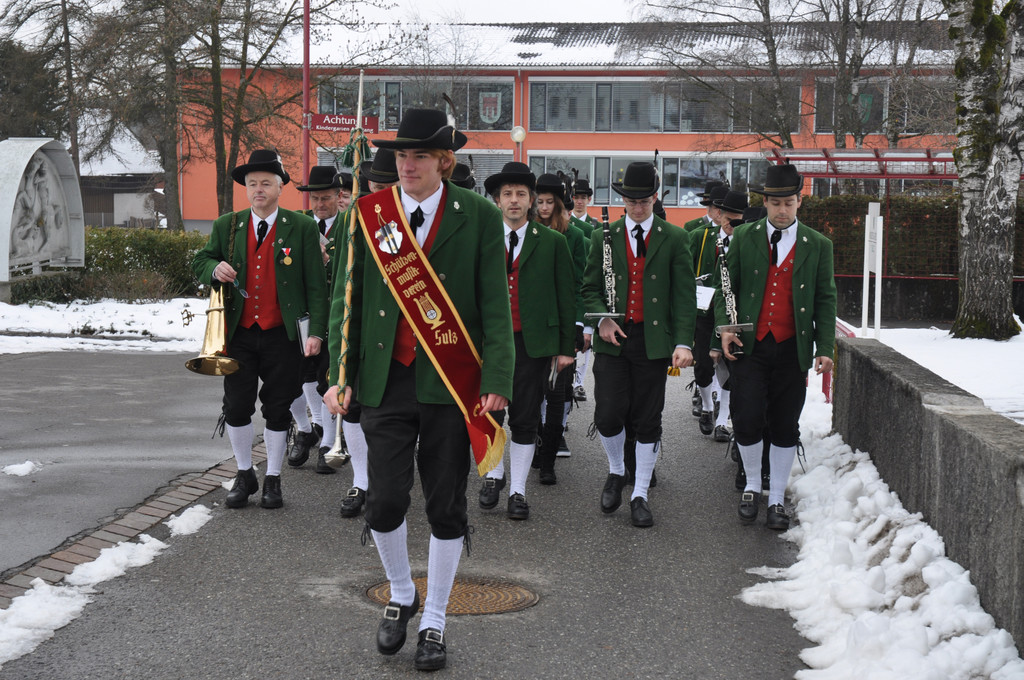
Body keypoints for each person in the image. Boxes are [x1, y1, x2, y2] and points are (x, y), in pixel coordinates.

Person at [323, 108, 513, 671]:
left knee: (445, 506)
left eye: (420, 156)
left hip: (451, 383)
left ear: (444, 161)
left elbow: (495, 306)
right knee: (383, 502)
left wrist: (497, 379)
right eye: (402, 156)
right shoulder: (368, 214)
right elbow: (346, 302)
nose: (407, 165)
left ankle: (434, 620)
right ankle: (402, 592)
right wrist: (339, 376)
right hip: (384, 379)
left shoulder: (479, 215)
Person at [192, 149, 328, 509]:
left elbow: (316, 286)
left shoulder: (301, 226)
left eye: (266, 183)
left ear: (280, 187)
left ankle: (273, 478)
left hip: (283, 333)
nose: (258, 190)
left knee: (278, 407)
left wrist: (317, 332)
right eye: (252, 184)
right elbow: (201, 260)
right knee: (237, 406)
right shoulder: (228, 225)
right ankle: (244, 473)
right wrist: (214, 268)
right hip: (238, 333)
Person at [715, 164, 837, 531]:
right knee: (748, 417)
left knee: (785, 424)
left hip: (791, 348)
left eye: (789, 203)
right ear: (765, 203)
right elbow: (726, 288)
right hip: (750, 345)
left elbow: (825, 299)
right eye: (775, 203)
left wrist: (824, 345)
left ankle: (777, 497)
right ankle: (753, 485)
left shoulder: (818, 244)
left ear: (800, 202)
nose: (782, 210)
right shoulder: (744, 237)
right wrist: (725, 329)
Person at [582, 161, 696, 528]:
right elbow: (589, 288)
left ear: (655, 198)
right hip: (613, 340)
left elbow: (684, 296)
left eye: (644, 201)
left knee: (648, 419)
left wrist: (683, 342)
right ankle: (617, 470)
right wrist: (602, 319)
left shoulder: (675, 237)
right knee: (607, 414)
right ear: (623, 201)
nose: (637, 208)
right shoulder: (604, 236)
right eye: (631, 201)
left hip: (653, 341)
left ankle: (640, 493)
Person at [477, 163, 576, 517]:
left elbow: (566, 297)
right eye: (507, 194)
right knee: (489, 414)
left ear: (532, 200)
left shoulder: (553, 242)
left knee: (525, 417)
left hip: (531, 344)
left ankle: (518, 490)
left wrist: (565, 348)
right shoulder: (482, 239)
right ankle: (493, 475)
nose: (514, 201)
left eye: (521, 194)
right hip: (489, 343)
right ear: (497, 200)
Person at [332, 150, 401, 519]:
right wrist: (336, 366)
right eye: (376, 184)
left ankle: (391, 481)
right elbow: (340, 293)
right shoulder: (354, 218)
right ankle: (360, 480)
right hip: (364, 334)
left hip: (409, 340)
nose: (381, 191)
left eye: (389, 184)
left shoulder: (417, 218)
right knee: (354, 408)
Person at [286, 165, 347, 474]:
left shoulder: (348, 225)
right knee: (299, 375)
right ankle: (307, 429)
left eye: (326, 198)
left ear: (339, 196)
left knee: (328, 375)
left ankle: (328, 443)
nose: (320, 205)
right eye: (316, 199)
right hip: (304, 313)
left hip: (336, 312)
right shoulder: (300, 225)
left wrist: (328, 260)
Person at [534, 173, 588, 464]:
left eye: (549, 202)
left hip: (562, 321)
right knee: (531, 391)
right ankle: (536, 439)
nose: (544, 208)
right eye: (539, 202)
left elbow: (579, 284)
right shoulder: (525, 231)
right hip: (532, 322)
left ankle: (553, 444)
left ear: (558, 204)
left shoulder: (575, 236)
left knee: (559, 388)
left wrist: (579, 323)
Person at [690, 189, 747, 440]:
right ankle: (706, 406)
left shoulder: (747, 242)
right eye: (727, 217)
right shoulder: (699, 236)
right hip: (705, 311)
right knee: (703, 366)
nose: (731, 223)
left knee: (731, 365)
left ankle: (723, 421)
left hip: (735, 314)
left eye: (737, 218)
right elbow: (683, 270)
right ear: (719, 214)